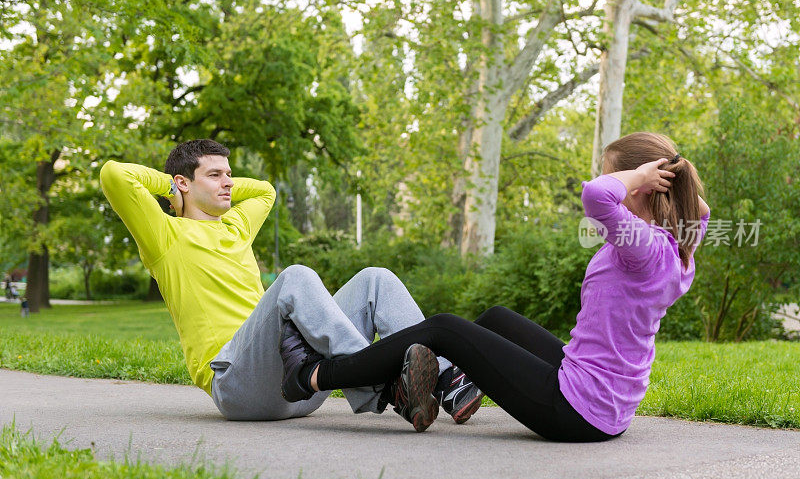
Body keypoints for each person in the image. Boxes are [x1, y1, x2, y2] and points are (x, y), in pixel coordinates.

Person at [282, 132, 711, 441]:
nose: (612, 184)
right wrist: (667, 171)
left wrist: (633, 175)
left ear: (638, 189)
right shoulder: (680, 246)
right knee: (495, 321)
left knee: (444, 328)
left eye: (616, 178)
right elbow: (700, 208)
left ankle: (314, 376)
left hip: (577, 412)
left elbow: (596, 197)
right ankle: (456, 388)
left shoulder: (644, 245)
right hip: (604, 400)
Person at [100, 139, 482, 430]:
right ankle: (380, 387)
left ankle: (449, 382)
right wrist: (171, 187)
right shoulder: (164, 235)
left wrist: (209, 180)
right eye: (215, 175)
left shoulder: (237, 227)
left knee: (375, 280)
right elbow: (115, 175)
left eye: (229, 174)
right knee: (295, 277)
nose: (229, 184)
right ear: (181, 183)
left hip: (299, 387)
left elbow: (265, 189)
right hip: (238, 384)